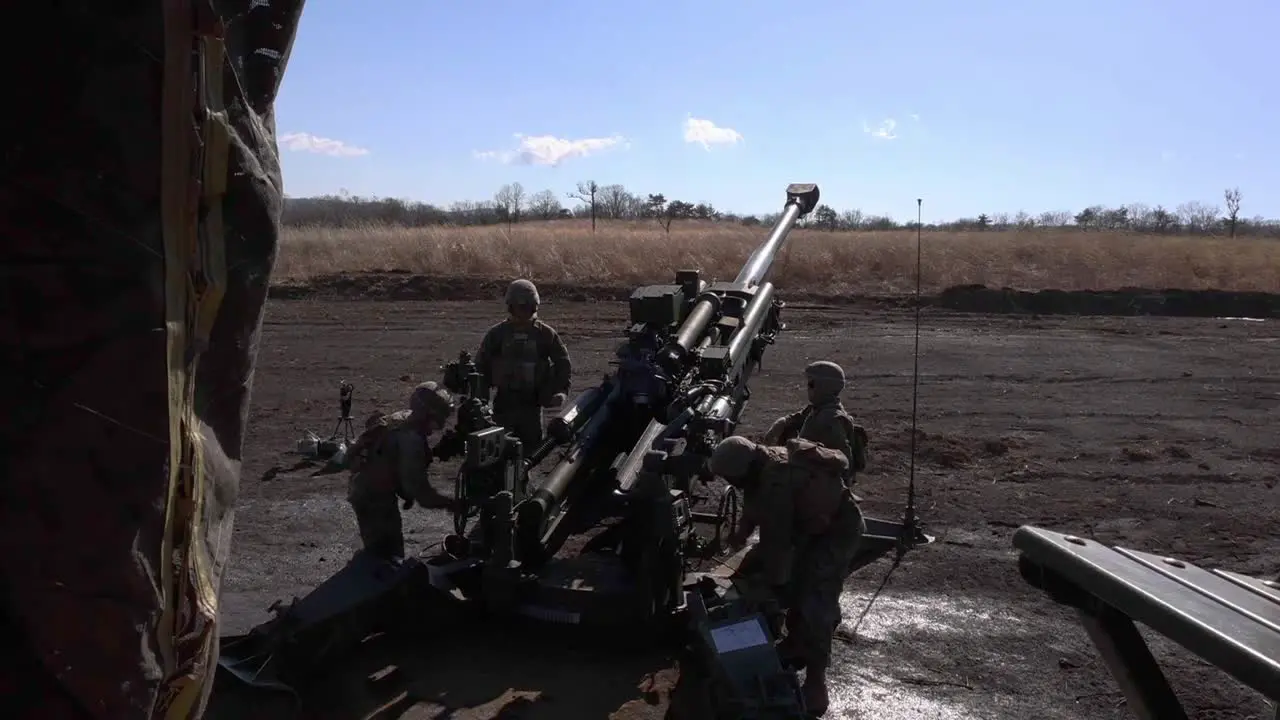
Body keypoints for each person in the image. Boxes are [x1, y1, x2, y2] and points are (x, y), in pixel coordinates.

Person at [710, 435, 866, 717]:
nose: (731, 484)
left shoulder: (775, 480)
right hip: (811, 526)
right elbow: (753, 508)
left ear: (743, 470)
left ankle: (817, 687)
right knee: (786, 579)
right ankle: (795, 644)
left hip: (836, 530)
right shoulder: (760, 464)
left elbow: (777, 544)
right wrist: (739, 537)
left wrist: (769, 587)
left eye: (731, 478)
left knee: (817, 598)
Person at [346, 381, 459, 560]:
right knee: (388, 557)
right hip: (374, 499)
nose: (441, 425)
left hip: (364, 488)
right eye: (438, 419)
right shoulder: (410, 440)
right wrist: (451, 504)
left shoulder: (403, 418)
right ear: (427, 415)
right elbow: (423, 495)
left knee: (380, 551)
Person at [474, 279, 572, 450]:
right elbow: (481, 367)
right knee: (498, 450)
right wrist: (480, 401)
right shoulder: (497, 334)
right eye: (521, 307)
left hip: (532, 406)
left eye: (528, 307)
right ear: (511, 306)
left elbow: (563, 363)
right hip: (504, 404)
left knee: (530, 453)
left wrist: (560, 391)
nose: (524, 312)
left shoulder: (545, 334)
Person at [763, 360, 867, 485]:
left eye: (811, 384)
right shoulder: (819, 408)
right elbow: (795, 419)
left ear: (824, 387)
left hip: (819, 484)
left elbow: (844, 462)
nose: (808, 388)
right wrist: (780, 424)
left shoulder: (830, 420)